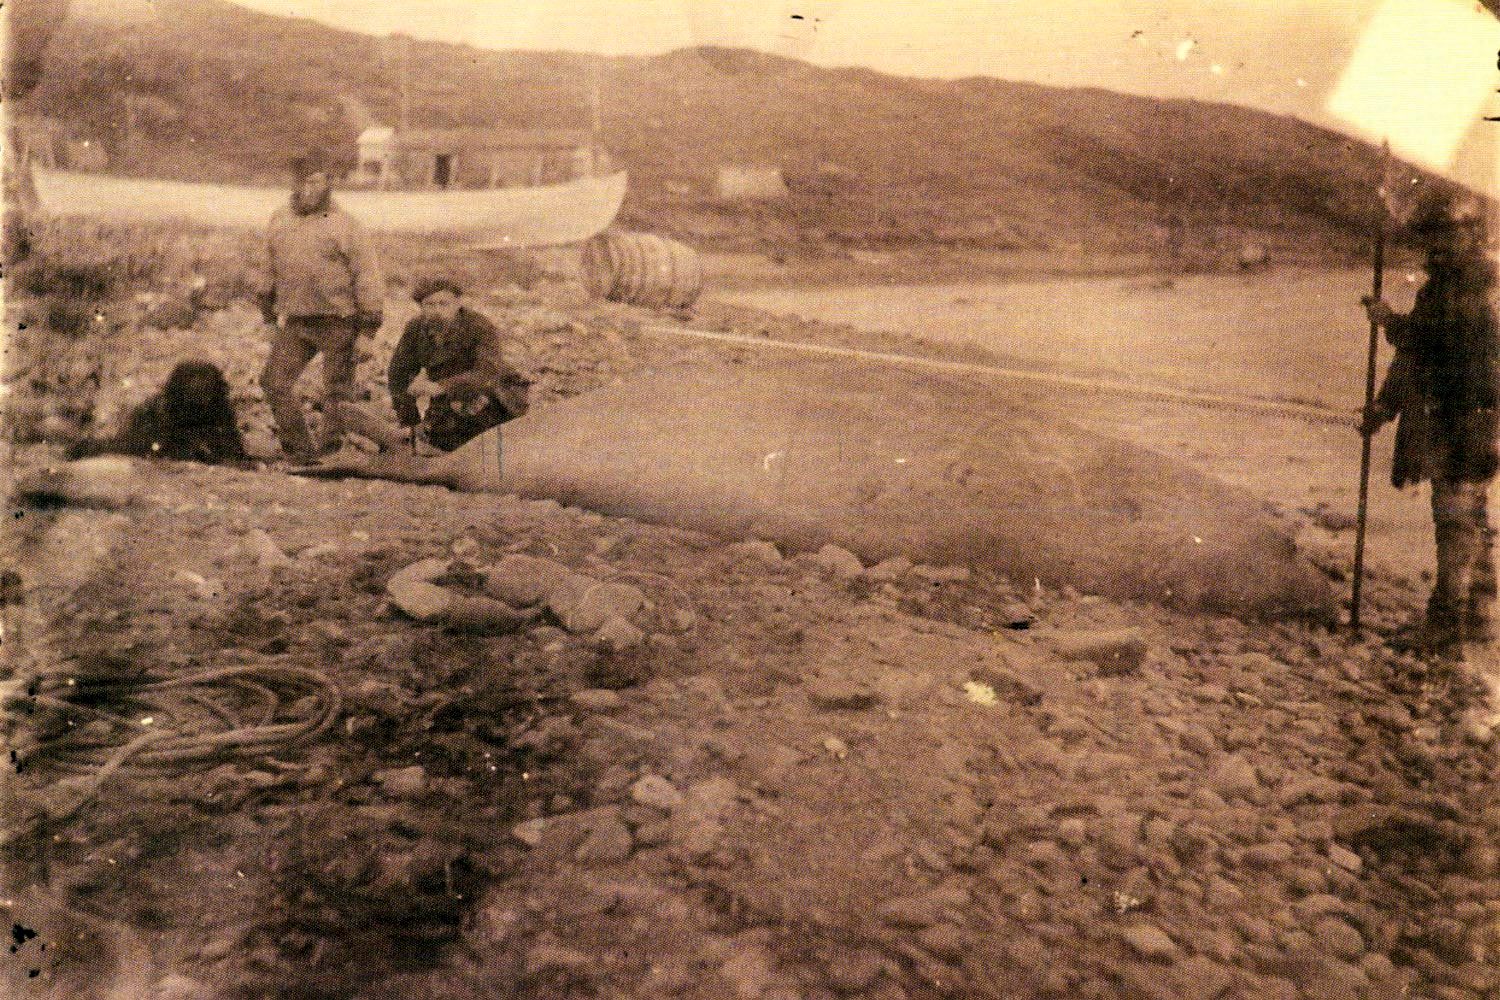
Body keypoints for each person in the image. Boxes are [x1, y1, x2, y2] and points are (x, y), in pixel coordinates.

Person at [1362, 187, 1498, 658]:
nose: (1436, 246)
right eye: (1432, 237)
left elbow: (1434, 344)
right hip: (1467, 416)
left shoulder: (1477, 285)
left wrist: (1390, 322)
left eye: (1448, 235)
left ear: (1471, 235)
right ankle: (1480, 615)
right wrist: (1383, 408)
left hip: (1468, 416)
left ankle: (1446, 626)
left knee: (1456, 515)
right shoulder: (1450, 284)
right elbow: (1416, 358)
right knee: (1469, 513)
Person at [258, 150, 384, 461]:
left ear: (328, 183)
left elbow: (367, 277)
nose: (313, 188)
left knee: (338, 392)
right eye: (306, 182)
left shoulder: (346, 225)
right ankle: (301, 453)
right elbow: (268, 270)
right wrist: (269, 318)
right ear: (295, 184)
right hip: (297, 322)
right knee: (274, 382)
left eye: (320, 181)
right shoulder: (279, 219)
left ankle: (331, 456)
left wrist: (367, 331)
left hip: (340, 322)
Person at [343, 278, 528, 454]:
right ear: (421, 307)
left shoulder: (479, 326)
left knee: (483, 444)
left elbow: (487, 372)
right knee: (439, 442)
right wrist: (410, 422)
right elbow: (398, 374)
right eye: (430, 305)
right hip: (447, 399)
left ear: (457, 304)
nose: (437, 310)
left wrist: (440, 387)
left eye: (444, 304)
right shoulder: (415, 328)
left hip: (495, 393)